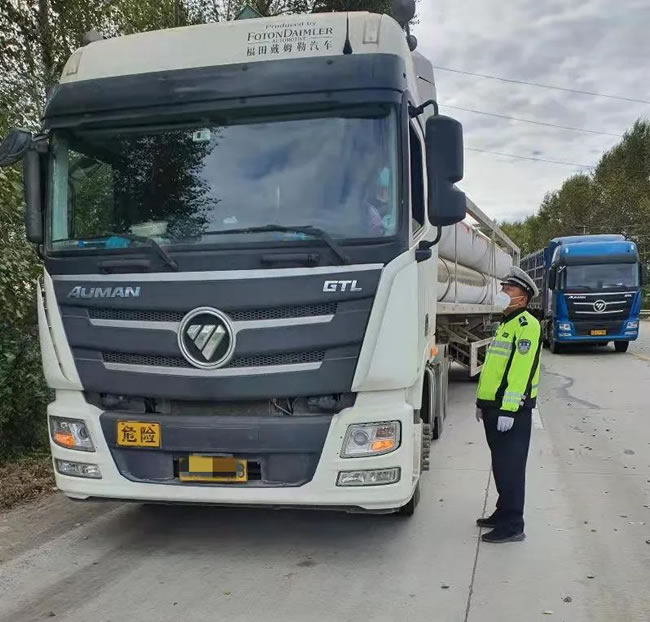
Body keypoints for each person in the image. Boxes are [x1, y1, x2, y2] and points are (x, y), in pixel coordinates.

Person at [475, 266, 541, 543]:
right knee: (501, 465)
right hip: (493, 407)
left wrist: (509, 409)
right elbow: (494, 369)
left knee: (511, 468)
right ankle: (503, 512)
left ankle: (513, 525)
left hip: (510, 411)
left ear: (522, 298)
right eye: (502, 287)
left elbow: (520, 372)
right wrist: (481, 402)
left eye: (508, 289)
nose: (502, 292)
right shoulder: (507, 323)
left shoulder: (527, 325)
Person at [367, 167, 395, 237]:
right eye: (380, 188)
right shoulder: (369, 210)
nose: (383, 192)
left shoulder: (398, 212)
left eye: (386, 188)